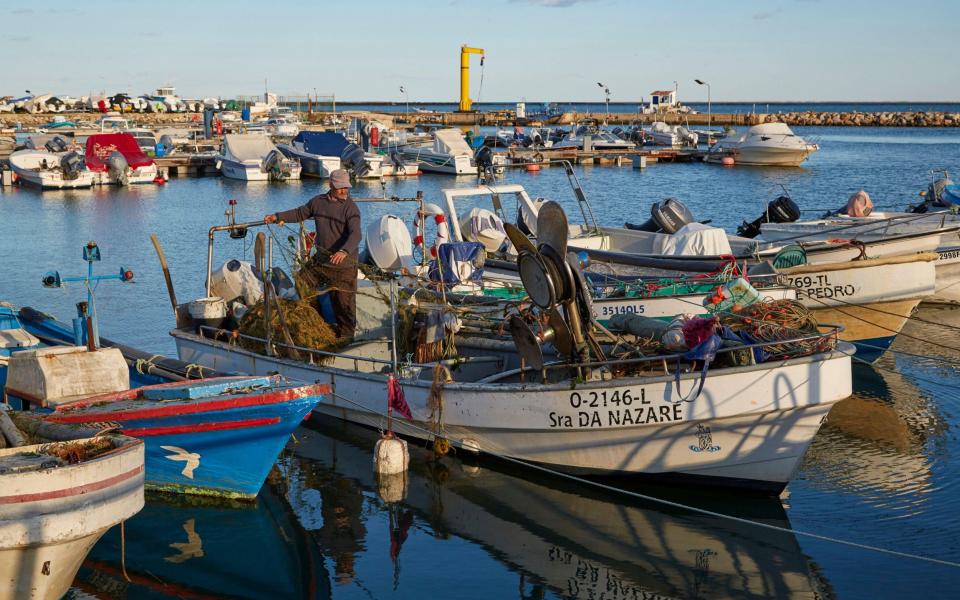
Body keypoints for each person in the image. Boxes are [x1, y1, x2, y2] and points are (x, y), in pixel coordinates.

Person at [264, 169, 360, 340]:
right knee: (302, 281)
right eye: (340, 187)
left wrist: (344, 251)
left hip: (344, 266)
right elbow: (300, 213)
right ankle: (317, 320)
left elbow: (356, 234)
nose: (344, 191)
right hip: (322, 261)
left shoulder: (350, 208)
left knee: (343, 304)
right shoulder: (318, 202)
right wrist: (277, 216)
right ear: (331, 185)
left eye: (346, 187)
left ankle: (347, 337)